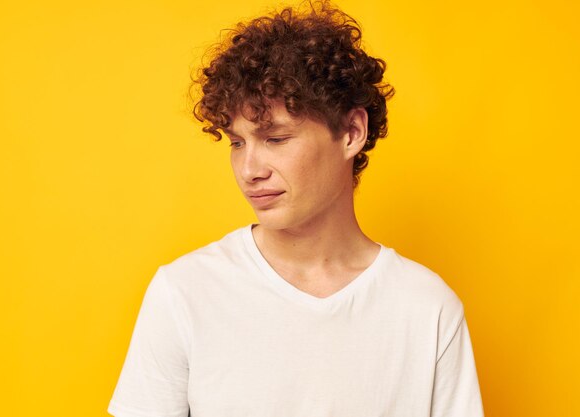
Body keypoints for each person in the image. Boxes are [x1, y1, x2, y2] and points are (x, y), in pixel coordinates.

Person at [107, 1, 485, 416]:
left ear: (352, 133)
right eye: (236, 143)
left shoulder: (426, 309)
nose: (249, 170)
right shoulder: (185, 292)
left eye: (276, 138)